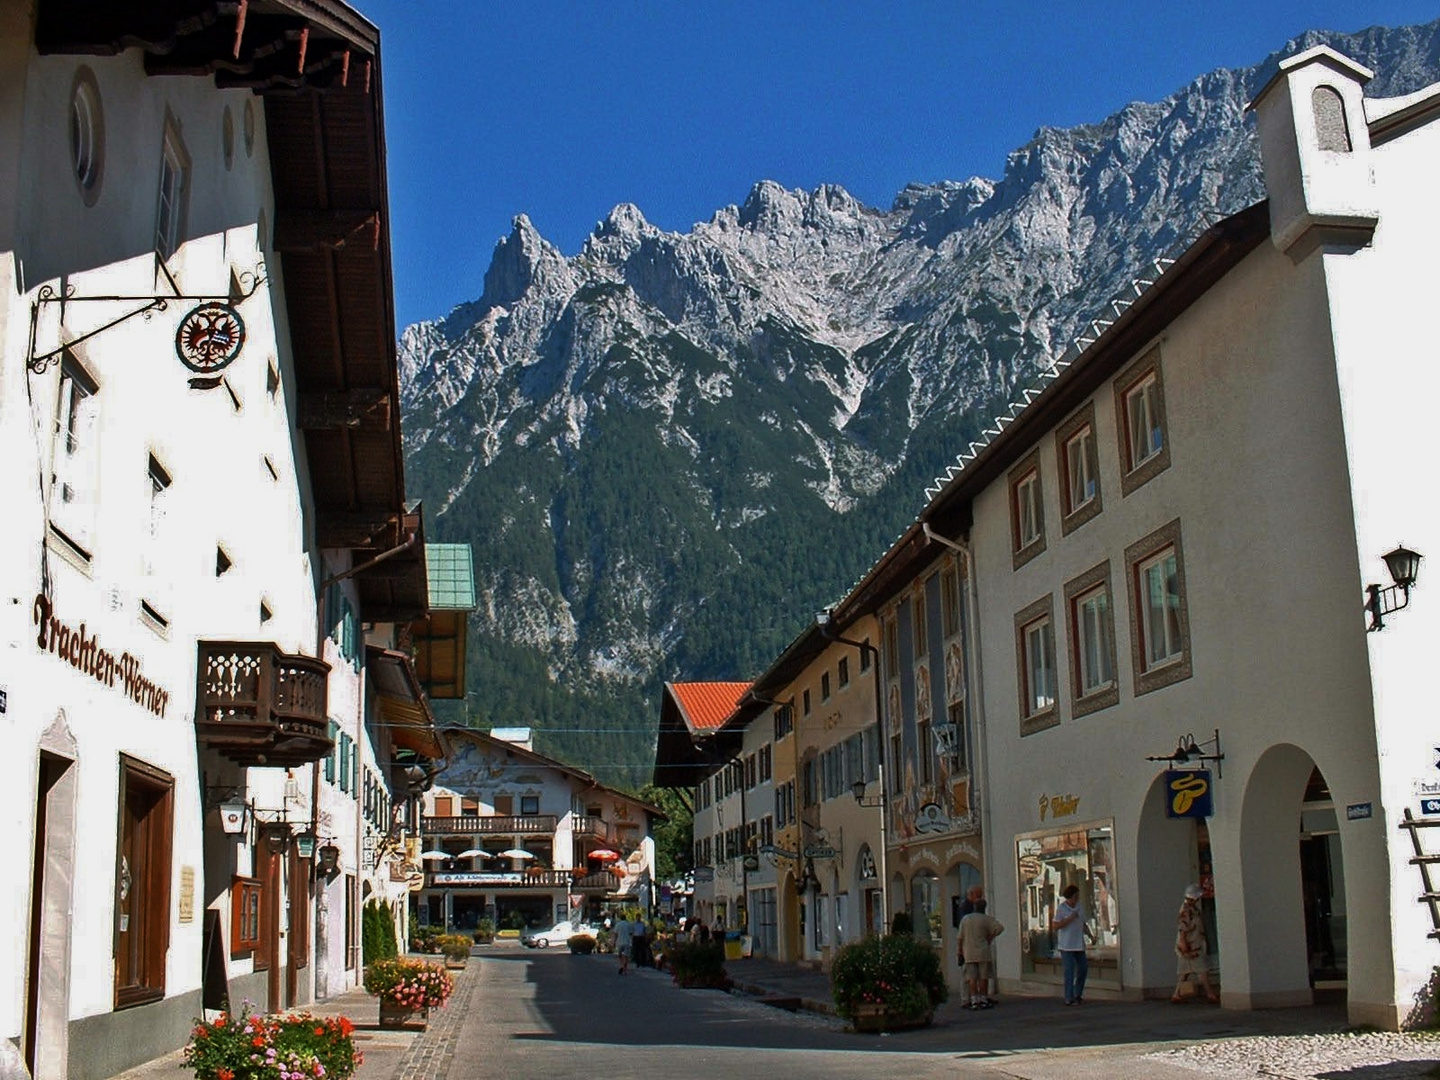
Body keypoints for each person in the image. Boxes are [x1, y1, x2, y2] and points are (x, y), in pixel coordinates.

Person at [1173, 885, 1219, 1003]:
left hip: (1193, 945)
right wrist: (1185, 948)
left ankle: (1177, 994)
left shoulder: (1193, 909)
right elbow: (1183, 930)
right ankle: (1210, 994)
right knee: (1202, 970)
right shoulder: (1186, 910)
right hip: (1191, 947)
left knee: (1184, 972)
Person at [959, 899, 1004, 1010]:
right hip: (983, 951)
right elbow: (1000, 928)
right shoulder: (986, 919)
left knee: (972, 978)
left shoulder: (966, 919)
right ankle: (983, 999)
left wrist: (959, 950)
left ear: (974, 907)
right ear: (984, 908)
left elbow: (960, 936)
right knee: (983, 976)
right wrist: (990, 937)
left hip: (969, 952)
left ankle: (974, 1000)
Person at [1051, 883, 1093, 1005]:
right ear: (1069, 898)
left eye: (1077, 897)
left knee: (1083, 968)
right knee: (1069, 971)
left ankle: (1078, 993)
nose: (1076, 900)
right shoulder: (1061, 908)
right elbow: (1055, 925)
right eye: (1074, 897)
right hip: (1066, 945)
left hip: (1079, 943)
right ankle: (1069, 997)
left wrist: (1090, 935)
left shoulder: (1080, 907)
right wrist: (1069, 918)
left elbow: (1083, 923)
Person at [954, 884, 986, 1006]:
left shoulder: (975, 907)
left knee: (973, 973)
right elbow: (962, 929)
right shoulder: (966, 908)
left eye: (980, 895)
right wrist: (960, 948)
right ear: (971, 895)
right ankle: (965, 999)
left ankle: (974, 997)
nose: (980, 897)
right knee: (966, 973)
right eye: (978, 895)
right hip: (967, 945)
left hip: (972, 944)